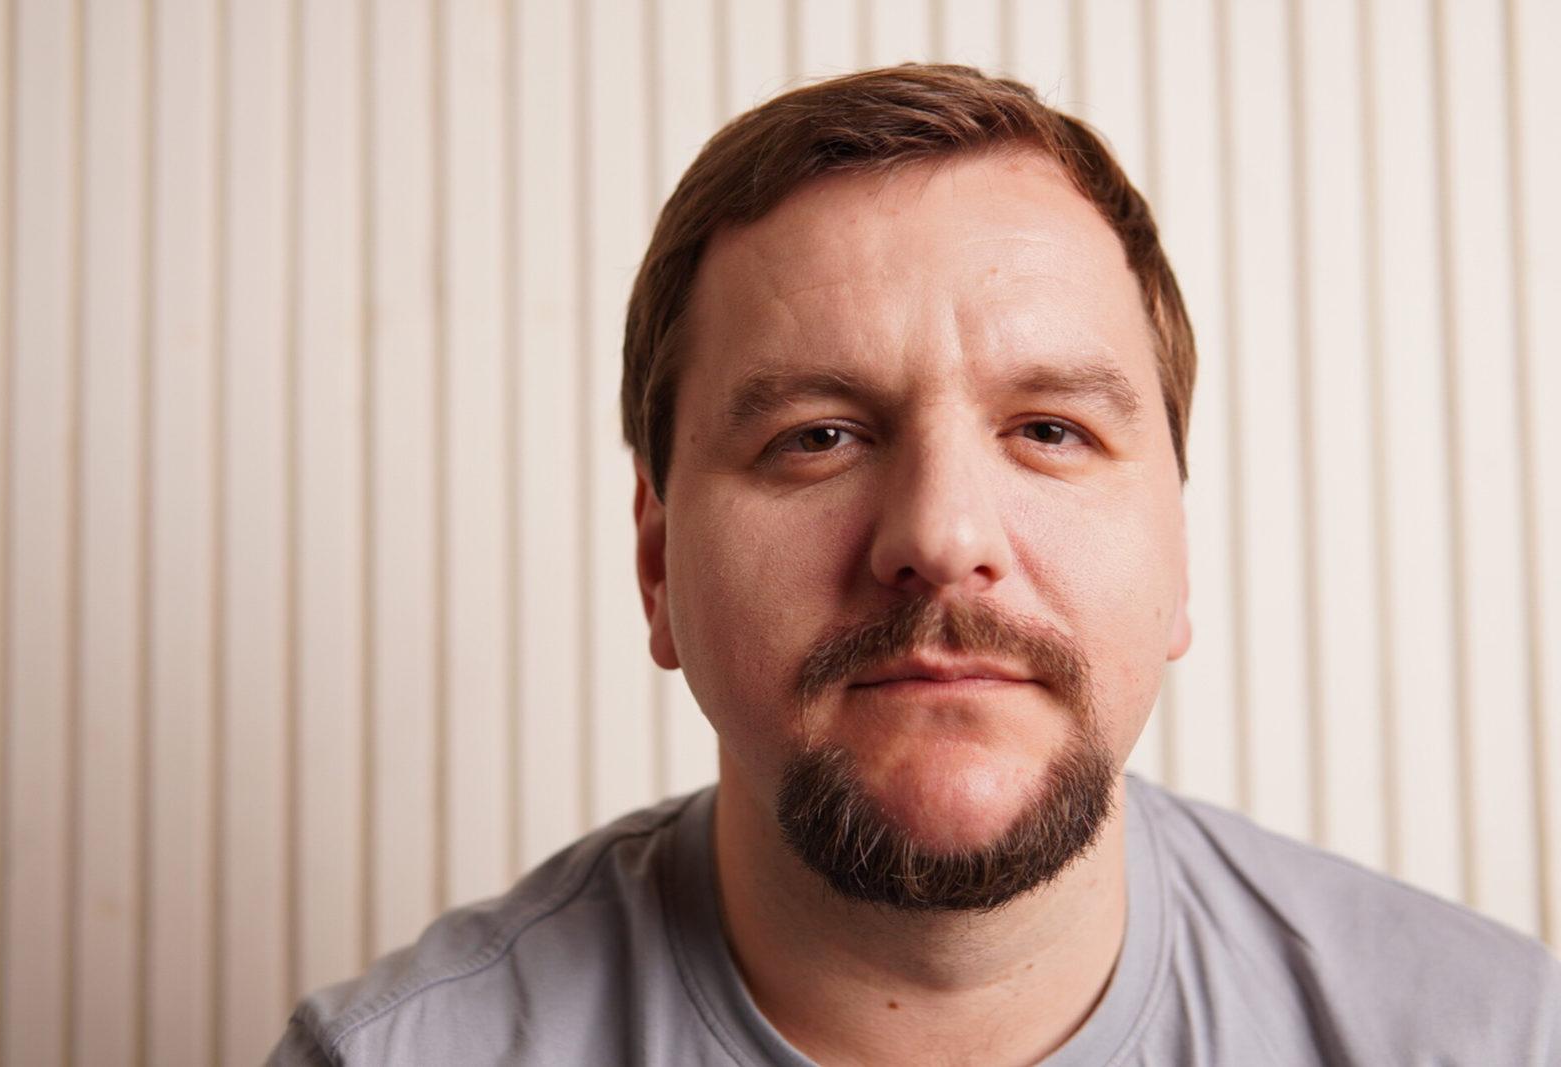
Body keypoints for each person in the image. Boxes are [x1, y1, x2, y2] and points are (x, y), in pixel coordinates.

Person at [270, 64, 1560, 1066]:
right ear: (658, 564)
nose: (942, 538)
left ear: (1179, 548)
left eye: (1050, 431)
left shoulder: (1501, 1040)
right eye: (817, 437)